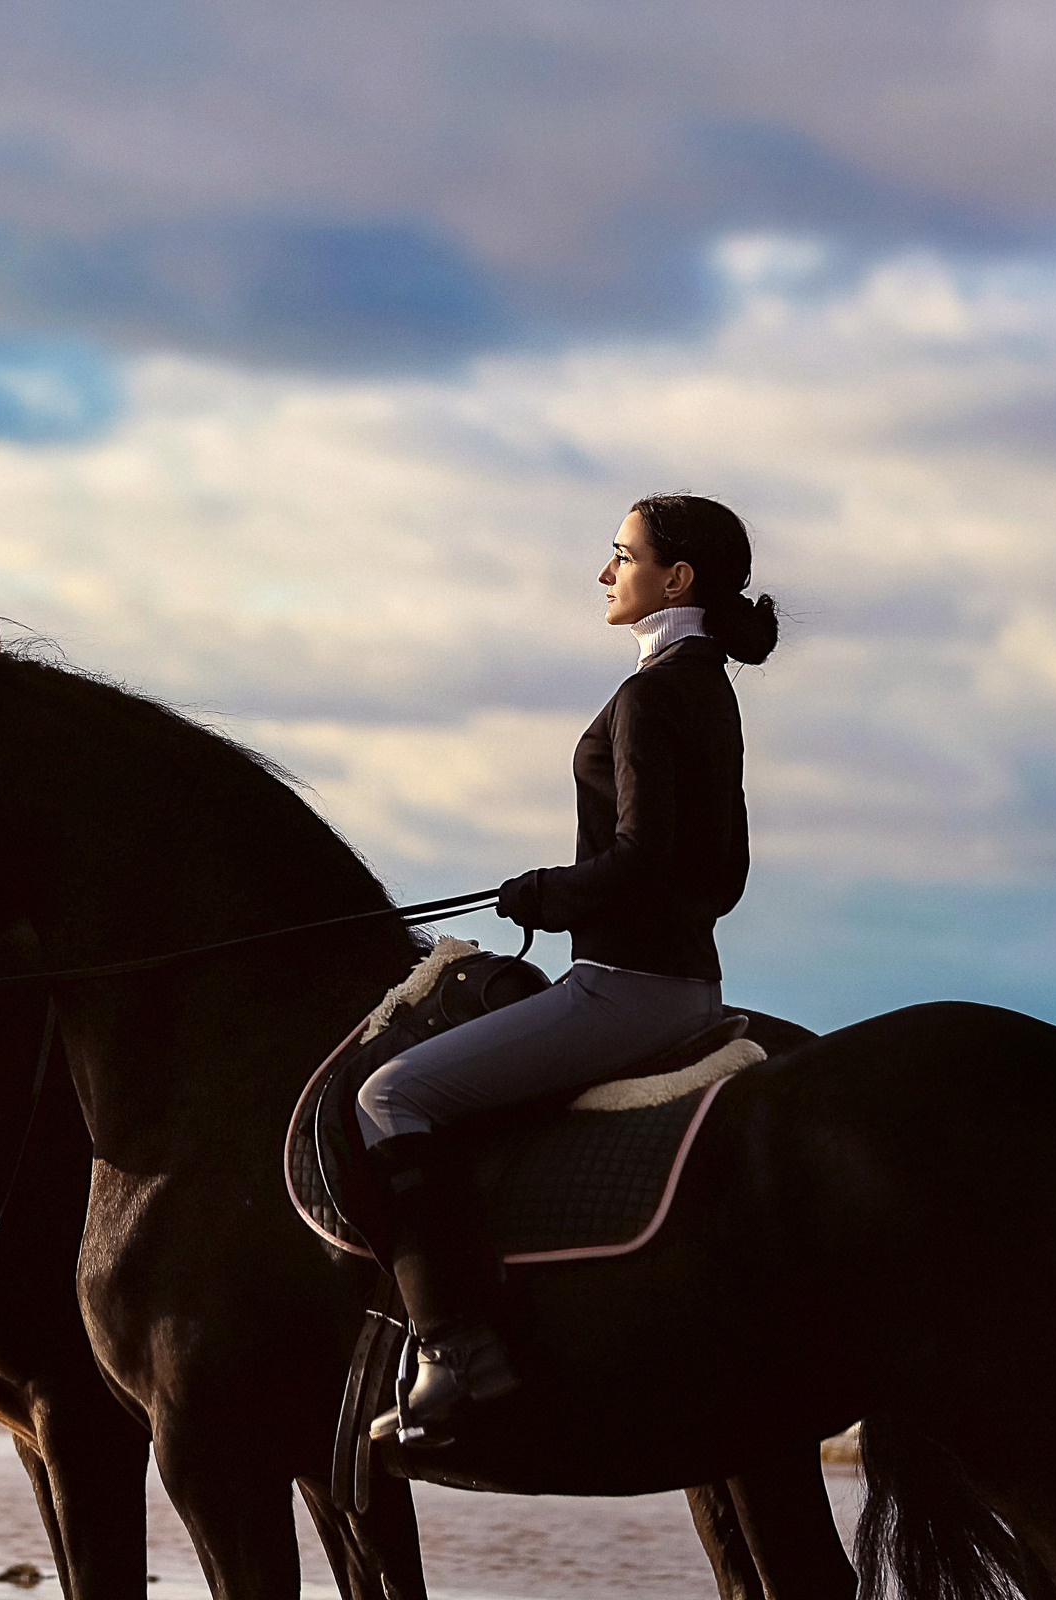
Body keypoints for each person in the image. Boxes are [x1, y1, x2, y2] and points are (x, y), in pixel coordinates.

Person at [359, 493, 780, 1446]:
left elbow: (640, 860)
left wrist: (549, 895)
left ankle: (456, 1356)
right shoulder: (708, 687)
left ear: (674, 579)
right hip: (694, 985)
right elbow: (724, 876)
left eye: (620, 555)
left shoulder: (650, 692)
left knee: (390, 1098)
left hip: (624, 992)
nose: (604, 574)